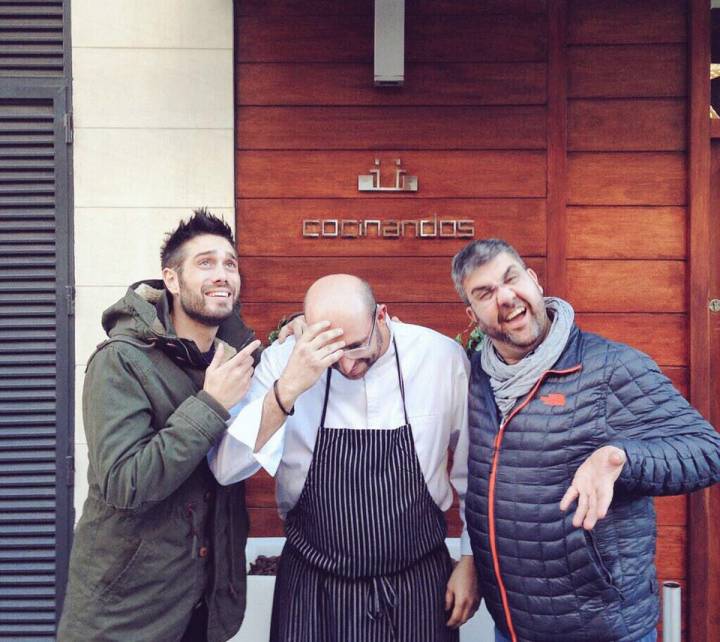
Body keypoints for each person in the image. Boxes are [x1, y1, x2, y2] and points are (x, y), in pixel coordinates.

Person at [451, 238, 720, 642]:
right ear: (472, 314)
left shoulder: (610, 367)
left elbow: (707, 451)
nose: (505, 297)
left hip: (604, 629)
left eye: (510, 278)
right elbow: (481, 484)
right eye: (485, 293)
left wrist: (622, 457)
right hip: (513, 628)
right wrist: (471, 559)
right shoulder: (478, 379)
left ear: (534, 281)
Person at [209, 274, 479, 642]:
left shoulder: (440, 358)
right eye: (334, 356)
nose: (349, 367)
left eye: (357, 347)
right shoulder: (282, 364)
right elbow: (226, 469)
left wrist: (470, 559)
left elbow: (473, 469)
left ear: (381, 316)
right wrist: (288, 388)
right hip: (313, 587)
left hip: (418, 583)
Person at [58, 209, 261, 642]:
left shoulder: (231, 358)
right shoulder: (120, 361)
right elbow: (124, 482)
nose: (222, 274)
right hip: (126, 617)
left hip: (202, 611)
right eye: (205, 263)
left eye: (230, 263)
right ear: (171, 280)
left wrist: (292, 328)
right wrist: (210, 405)